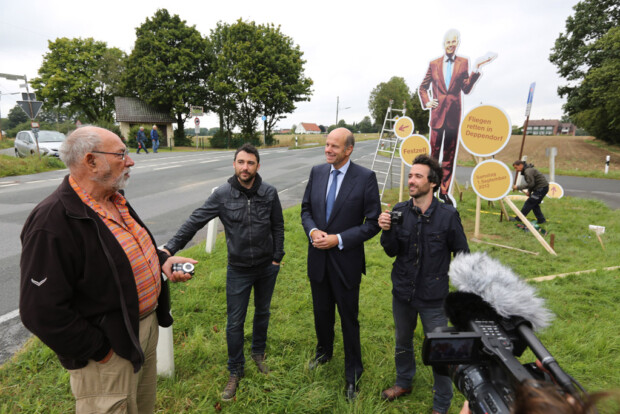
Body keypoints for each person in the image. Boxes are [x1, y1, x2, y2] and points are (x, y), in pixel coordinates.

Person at [19, 126, 196, 413]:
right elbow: (40, 311)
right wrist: (101, 352)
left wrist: (160, 261)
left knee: (142, 407)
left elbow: (124, 253)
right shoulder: (51, 222)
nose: (130, 160)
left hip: (144, 331)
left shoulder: (114, 199)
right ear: (91, 161)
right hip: (110, 349)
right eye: (121, 154)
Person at [162, 143, 284, 402]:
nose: (245, 167)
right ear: (234, 164)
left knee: (263, 312)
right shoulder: (222, 195)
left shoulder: (269, 193)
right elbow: (195, 221)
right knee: (234, 322)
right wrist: (169, 249)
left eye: (250, 163)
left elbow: (278, 226)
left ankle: (258, 354)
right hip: (238, 269)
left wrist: (276, 258)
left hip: (266, 267)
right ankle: (235, 370)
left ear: (257, 166)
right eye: (241, 162)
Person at [378, 154, 469, 414]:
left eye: (418, 176)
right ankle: (404, 382)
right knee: (402, 342)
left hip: (434, 298)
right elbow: (391, 251)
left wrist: (458, 289)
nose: (412, 180)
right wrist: (386, 230)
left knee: (441, 350)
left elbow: (462, 253)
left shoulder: (448, 216)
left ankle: (441, 404)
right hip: (403, 293)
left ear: (433, 184)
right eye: (410, 175)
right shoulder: (399, 211)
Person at [300, 127, 381, 401]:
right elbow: (306, 210)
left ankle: (352, 375)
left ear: (349, 150)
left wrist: (339, 239)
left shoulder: (365, 178)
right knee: (321, 313)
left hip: (346, 262)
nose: (328, 150)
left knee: (349, 320)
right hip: (318, 261)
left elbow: (372, 223)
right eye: (327, 144)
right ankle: (324, 353)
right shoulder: (317, 172)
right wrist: (312, 231)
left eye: (335, 146)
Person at [419, 29, 495, 205]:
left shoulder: (463, 62)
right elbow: (423, 87)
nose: (451, 45)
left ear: (457, 43)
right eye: (448, 42)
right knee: (433, 156)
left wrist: (476, 68)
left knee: (449, 155)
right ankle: (430, 189)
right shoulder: (434, 63)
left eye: (454, 42)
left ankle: (444, 192)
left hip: (453, 115)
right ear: (444, 44)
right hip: (437, 116)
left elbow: (466, 89)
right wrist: (427, 102)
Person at [510, 160, 549, 224]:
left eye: (516, 167)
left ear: (521, 165)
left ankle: (519, 219)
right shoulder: (527, 170)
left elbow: (531, 184)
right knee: (534, 205)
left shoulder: (527, 171)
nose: (516, 170)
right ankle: (542, 221)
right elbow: (532, 183)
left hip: (541, 189)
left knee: (529, 203)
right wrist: (529, 192)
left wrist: (518, 187)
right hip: (542, 188)